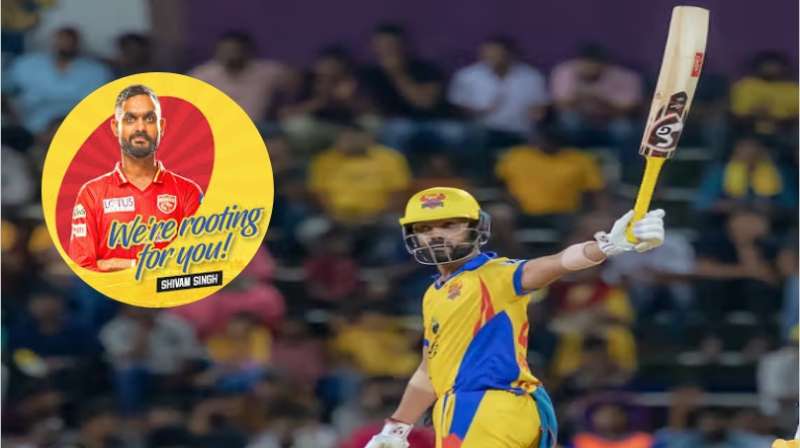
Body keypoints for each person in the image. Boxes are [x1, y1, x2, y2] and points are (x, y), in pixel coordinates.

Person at [364, 187, 665, 447]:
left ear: (476, 228)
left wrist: (605, 246)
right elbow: (430, 370)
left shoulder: (493, 274)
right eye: (425, 228)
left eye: (449, 225)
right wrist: (396, 428)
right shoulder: (434, 293)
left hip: (489, 406)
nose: (436, 235)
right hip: (471, 407)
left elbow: (554, 263)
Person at [68, 84, 204, 271]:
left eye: (149, 119)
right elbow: (83, 267)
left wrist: (116, 264)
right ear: (115, 127)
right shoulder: (92, 193)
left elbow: (198, 262)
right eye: (130, 119)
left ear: (161, 127)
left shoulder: (188, 192)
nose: (140, 127)